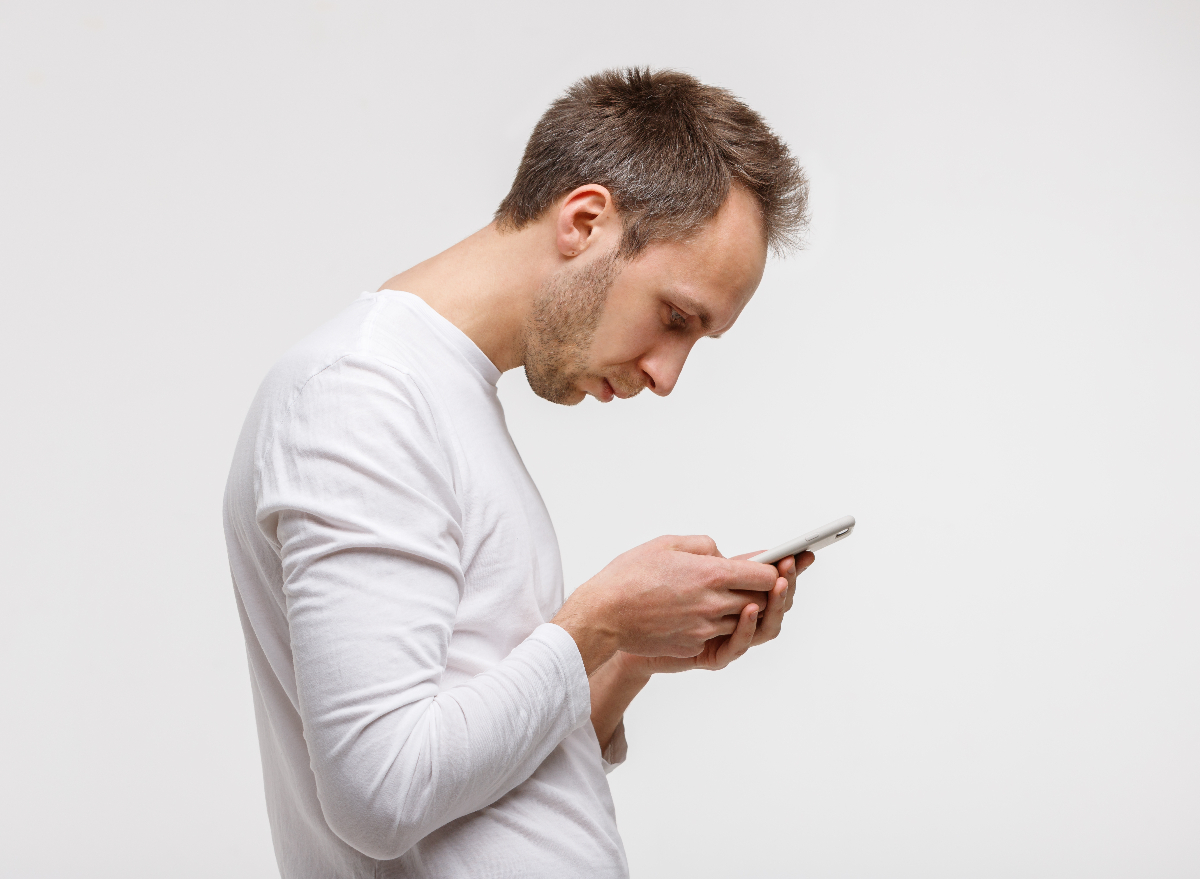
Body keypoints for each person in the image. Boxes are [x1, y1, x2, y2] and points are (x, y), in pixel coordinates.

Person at [223, 66, 812, 878]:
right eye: (675, 316)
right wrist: (598, 624)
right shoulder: (362, 396)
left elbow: (478, 791)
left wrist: (630, 656)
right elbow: (381, 793)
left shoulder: (437, 393)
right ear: (584, 220)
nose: (668, 373)